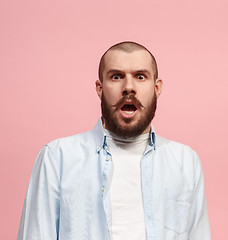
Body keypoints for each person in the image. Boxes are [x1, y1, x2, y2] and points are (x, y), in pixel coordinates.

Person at [17, 41, 211, 240]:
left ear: (157, 88)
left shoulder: (185, 161)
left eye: (140, 76)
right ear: (100, 88)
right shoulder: (58, 158)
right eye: (116, 77)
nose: (128, 87)